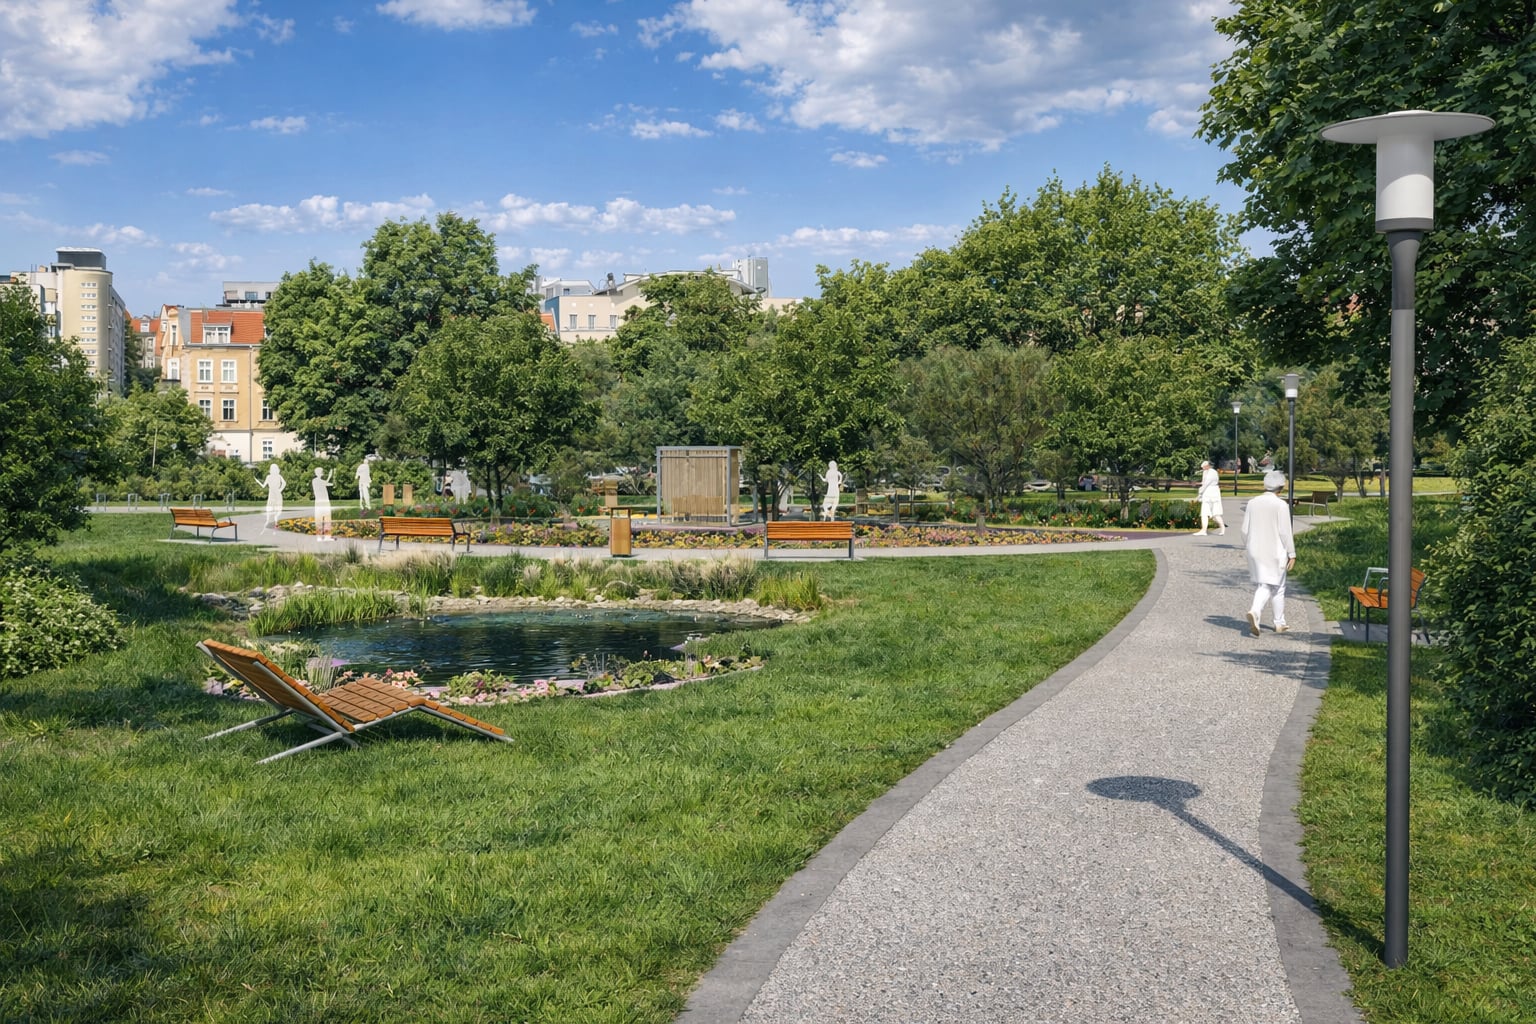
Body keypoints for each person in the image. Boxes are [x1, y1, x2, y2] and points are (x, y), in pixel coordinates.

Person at [1242, 470, 1296, 636]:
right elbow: (1285, 532)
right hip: (1275, 550)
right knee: (1270, 584)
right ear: (1281, 487)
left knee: (1275, 585)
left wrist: (1249, 545)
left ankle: (1280, 622)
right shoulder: (1281, 505)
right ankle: (1256, 611)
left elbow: (1244, 530)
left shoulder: (1252, 503)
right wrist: (1292, 553)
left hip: (1255, 549)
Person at [1193, 460, 1226, 536]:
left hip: (1212, 493)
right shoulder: (1205, 472)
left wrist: (1200, 493)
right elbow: (1204, 483)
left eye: (1204, 467)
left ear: (1207, 466)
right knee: (1204, 513)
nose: (1203, 469)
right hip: (1207, 494)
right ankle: (1203, 530)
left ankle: (1222, 527)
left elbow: (1206, 484)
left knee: (1216, 514)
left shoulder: (1212, 473)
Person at [256, 463, 286, 530]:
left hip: (276, 494)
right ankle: (270, 521)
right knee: (270, 508)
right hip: (273, 494)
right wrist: (258, 482)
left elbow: (284, 483)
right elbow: (264, 486)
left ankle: (274, 522)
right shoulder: (270, 477)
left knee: (276, 509)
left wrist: (280, 489)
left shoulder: (278, 476)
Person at [312, 467, 335, 541]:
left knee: (327, 518)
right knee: (319, 518)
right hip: (320, 501)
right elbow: (325, 483)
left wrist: (333, 482)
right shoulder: (315, 481)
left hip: (324, 501)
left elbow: (327, 484)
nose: (322, 473)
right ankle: (319, 536)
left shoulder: (320, 481)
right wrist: (330, 476)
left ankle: (327, 536)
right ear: (317, 473)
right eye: (321, 471)